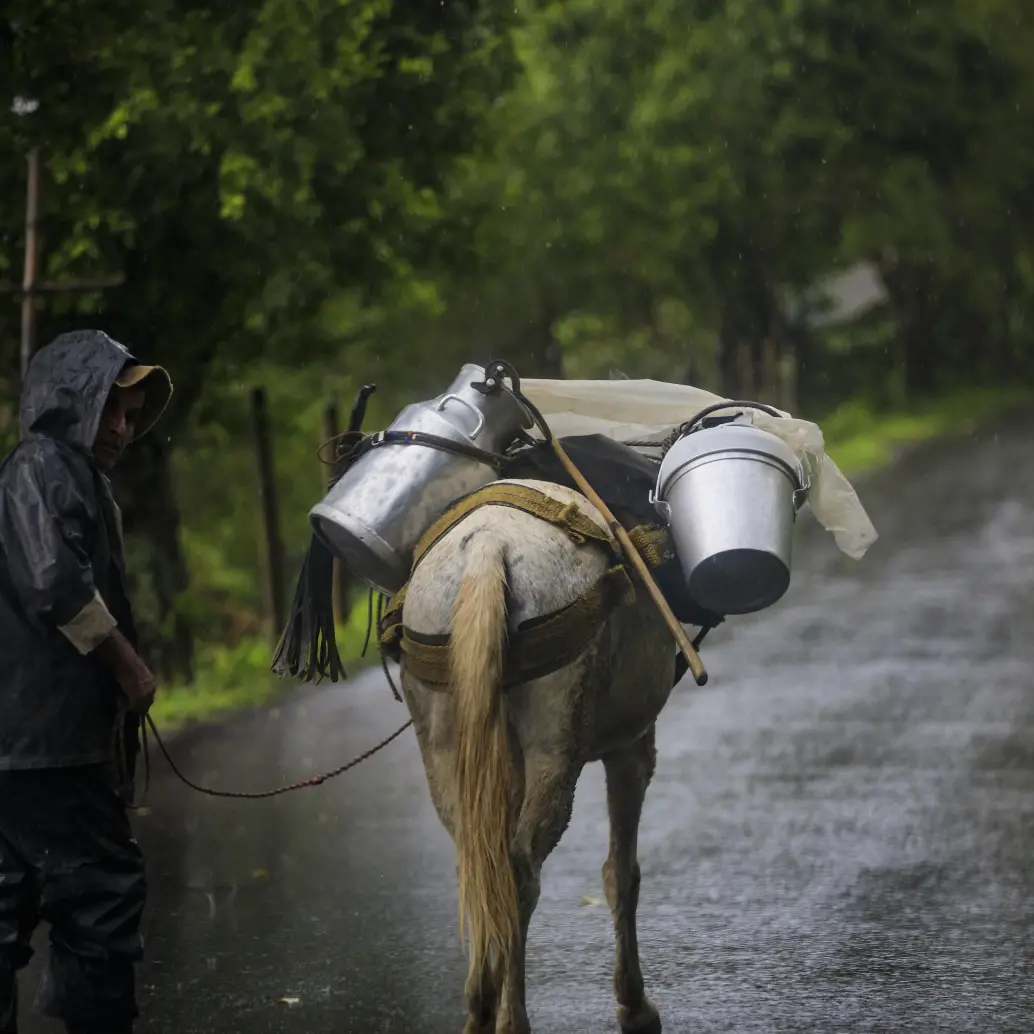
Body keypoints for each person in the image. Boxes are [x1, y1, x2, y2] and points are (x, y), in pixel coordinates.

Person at [0, 329, 173, 1034]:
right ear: (72, 400)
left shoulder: (60, 474)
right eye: (112, 408)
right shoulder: (42, 468)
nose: (124, 429)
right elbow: (53, 582)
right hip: (47, 745)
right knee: (99, 898)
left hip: (29, 743)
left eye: (132, 415)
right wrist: (129, 667)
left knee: (13, 901)